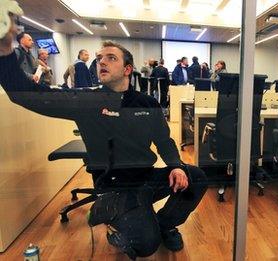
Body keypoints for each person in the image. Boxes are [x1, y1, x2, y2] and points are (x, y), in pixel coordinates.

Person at [0, 15, 207, 259]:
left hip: (146, 178)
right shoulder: (87, 101)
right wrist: (4, 52)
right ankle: (110, 213)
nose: (101, 62)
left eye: (111, 58)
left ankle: (163, 225)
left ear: (127, 69)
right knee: (146, 246)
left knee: (197, 177)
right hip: (114, 186)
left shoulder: (148, 103)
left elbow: (164, 140)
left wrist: (175, 166)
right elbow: (24, 94)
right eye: (99, 59)